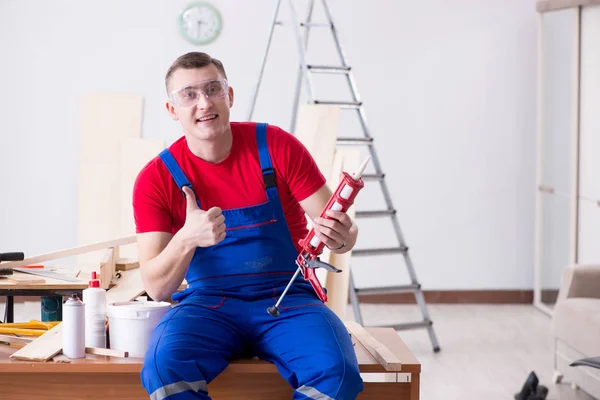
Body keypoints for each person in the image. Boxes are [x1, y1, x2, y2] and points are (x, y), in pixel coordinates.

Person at [133, 51, 364, 400]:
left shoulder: (276, 146)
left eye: (213, 89)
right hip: (207, 304)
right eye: (189, 95)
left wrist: (342, 237)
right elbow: (157, 288)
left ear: (230, 96)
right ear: (172, 110)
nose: (204, 102)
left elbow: (339, 234)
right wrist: (186, 239)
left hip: (288, 298)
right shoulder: (156, 178)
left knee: (338, 371)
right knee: (165, 370)